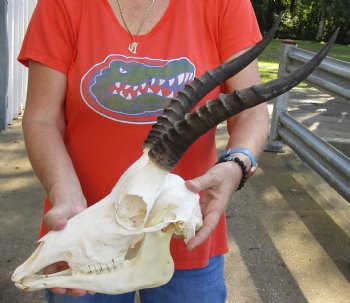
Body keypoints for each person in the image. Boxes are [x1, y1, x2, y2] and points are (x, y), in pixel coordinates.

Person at [18, 0, 269, 302]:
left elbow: (250, 113)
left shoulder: (224, 4)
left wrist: (236, 163)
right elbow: (42, 118)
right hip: (86, 233)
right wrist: (64, 193)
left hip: (182, 230)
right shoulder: (62, 5)